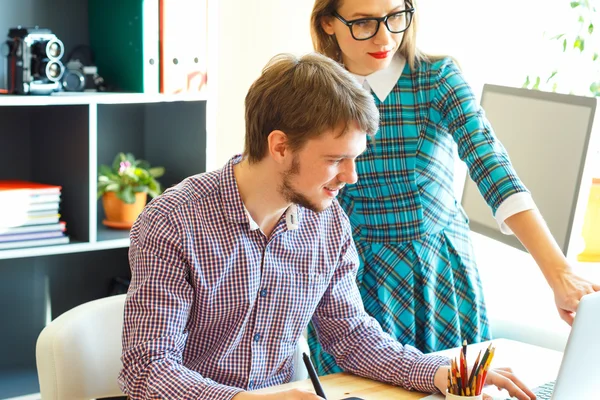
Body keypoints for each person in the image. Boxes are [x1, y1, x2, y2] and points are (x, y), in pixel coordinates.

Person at [118, 52, 535, 400]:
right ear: (280, 146)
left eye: (355, 158)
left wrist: (440, 372)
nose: (352, 177)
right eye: (336, 160)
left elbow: (352, 335)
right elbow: (147, 372)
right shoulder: (173, 222)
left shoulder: (328, 222)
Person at [307, 0, 600, 377]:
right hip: (352, 279)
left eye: (396, 16)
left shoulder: (436, 78)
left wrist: (558, 272)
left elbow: (491, 164)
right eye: (364, 22)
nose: (384, 36)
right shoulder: (317, 90)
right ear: (329, 22)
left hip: (440, 273)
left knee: (460, 387)